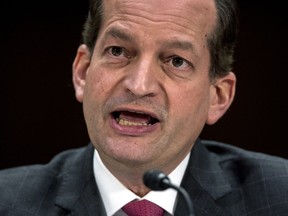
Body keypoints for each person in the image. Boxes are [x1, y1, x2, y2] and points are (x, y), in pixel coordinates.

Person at [0, 0, 288, 215]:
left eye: (176, 61)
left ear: (218, 96)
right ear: (83, 72)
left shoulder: (278, 197)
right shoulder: (7, 202)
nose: (139, 85)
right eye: (117, 51)